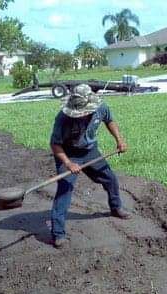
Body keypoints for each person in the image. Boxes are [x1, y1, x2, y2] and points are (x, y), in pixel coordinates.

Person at [49, 84, 131, 248]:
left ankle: (116, 208)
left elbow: (110, 121)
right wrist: (68, 163)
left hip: (90, 151)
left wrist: (119, 140)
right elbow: (55, 144)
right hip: (68, 153)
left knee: (110, 179)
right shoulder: (63, 118)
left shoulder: (101, 107)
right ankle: (58, 233)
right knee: (65, 190)